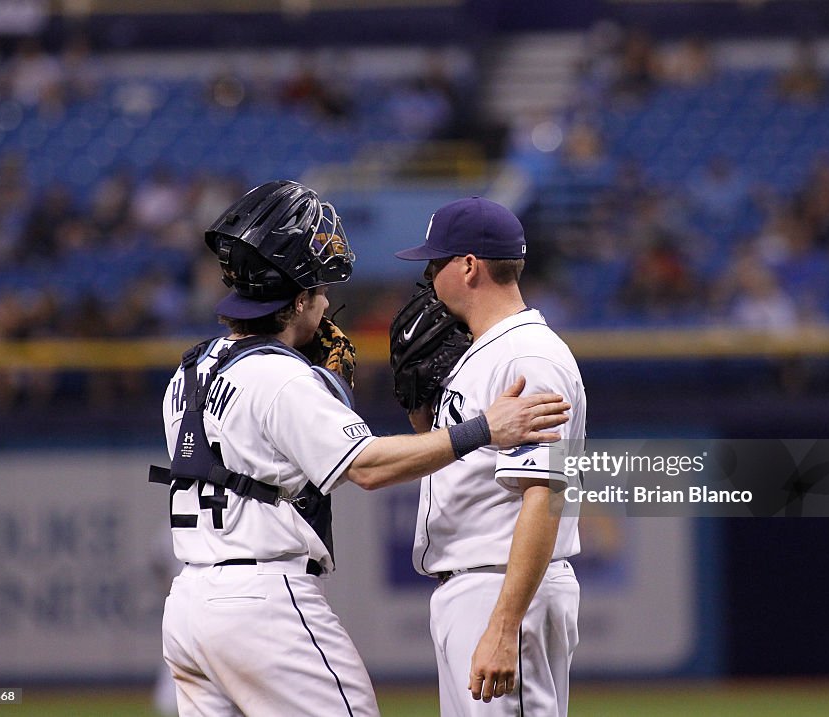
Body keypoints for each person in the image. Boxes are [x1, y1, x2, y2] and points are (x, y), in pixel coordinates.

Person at [154, 181, 570, 717]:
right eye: (321, 292)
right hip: (262, 602)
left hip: (188, 609)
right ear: (298, 299)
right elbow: (368, 468)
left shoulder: (190, 369)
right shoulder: (281, 378)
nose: (328, 305)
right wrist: (481, 428)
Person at [394, 197, 586, 716]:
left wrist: (504, 625)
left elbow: (545, 495)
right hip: (477, 586)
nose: (428, 279)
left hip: (504, 589)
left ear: (469, 266)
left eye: (435, 265)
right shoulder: (482, 352)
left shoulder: (529, 357)